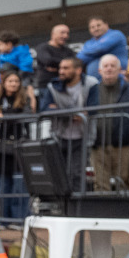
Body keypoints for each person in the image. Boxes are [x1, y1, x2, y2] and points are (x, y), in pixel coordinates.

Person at [39, 55, 97, 194]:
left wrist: (58, 110)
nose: (61, 71)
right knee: (58, 173)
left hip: (82, 136)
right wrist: (73, 114)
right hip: (59, 136)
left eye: (66, 68)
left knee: (76, 173)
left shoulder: (91, 84)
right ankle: (61, 206)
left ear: (78, 70)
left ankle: (76, 208)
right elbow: (45, 109)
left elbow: (94, 108)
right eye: (60, 68)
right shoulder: (52, 86)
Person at [86, 53, 129, 194]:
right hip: (98, 144)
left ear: (119, 69)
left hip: (123, 144)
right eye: (105, 66)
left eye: (112, 66)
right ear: (100, 71)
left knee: (124, 180)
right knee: (100, 184)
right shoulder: (93, 90)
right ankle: (103, 214)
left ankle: (125, 214)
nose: (109, 69)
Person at [0, 69, 35, 219]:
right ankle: (4, 219)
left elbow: (27, 115)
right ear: (4, 83)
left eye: (16, 81)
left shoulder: (24, 98)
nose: (14, 84)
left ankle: (20, 219)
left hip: (19, 147)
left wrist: (4, 116)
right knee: (3, 186)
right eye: (10, 81)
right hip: (1, 148)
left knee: (19, 185)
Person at [33, 23, 74, 89]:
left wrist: (55, 66)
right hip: (46, 86)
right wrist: (65, 65)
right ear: (53, 34)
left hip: (65, 86)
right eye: (62, 33)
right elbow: (48, 61)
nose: (65, 36)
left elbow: (74, 63)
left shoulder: (68, 51)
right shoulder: (43, 48)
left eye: (67, 33)